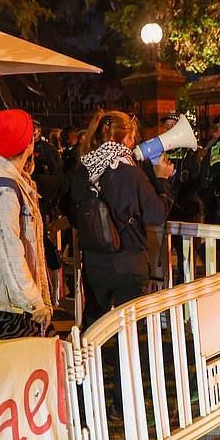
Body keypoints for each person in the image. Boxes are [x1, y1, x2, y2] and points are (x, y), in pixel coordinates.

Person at [69, 110, 174, 328]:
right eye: (132, 137)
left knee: (94, 324)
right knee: (131, 329)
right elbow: (157, 214)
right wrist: (162, 181)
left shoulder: (83, 169)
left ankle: (91, 362)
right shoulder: (130, 172)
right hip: (127, 260)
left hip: (94, 261)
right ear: (125, 138)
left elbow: (73, 215)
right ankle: (123, 362)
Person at [0, 110, 52, 344]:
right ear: (28, 142)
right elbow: (10, 252)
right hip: (4, 304)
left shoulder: (14, 179)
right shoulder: (3, 191)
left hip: (10, 299)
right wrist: (34, 302)